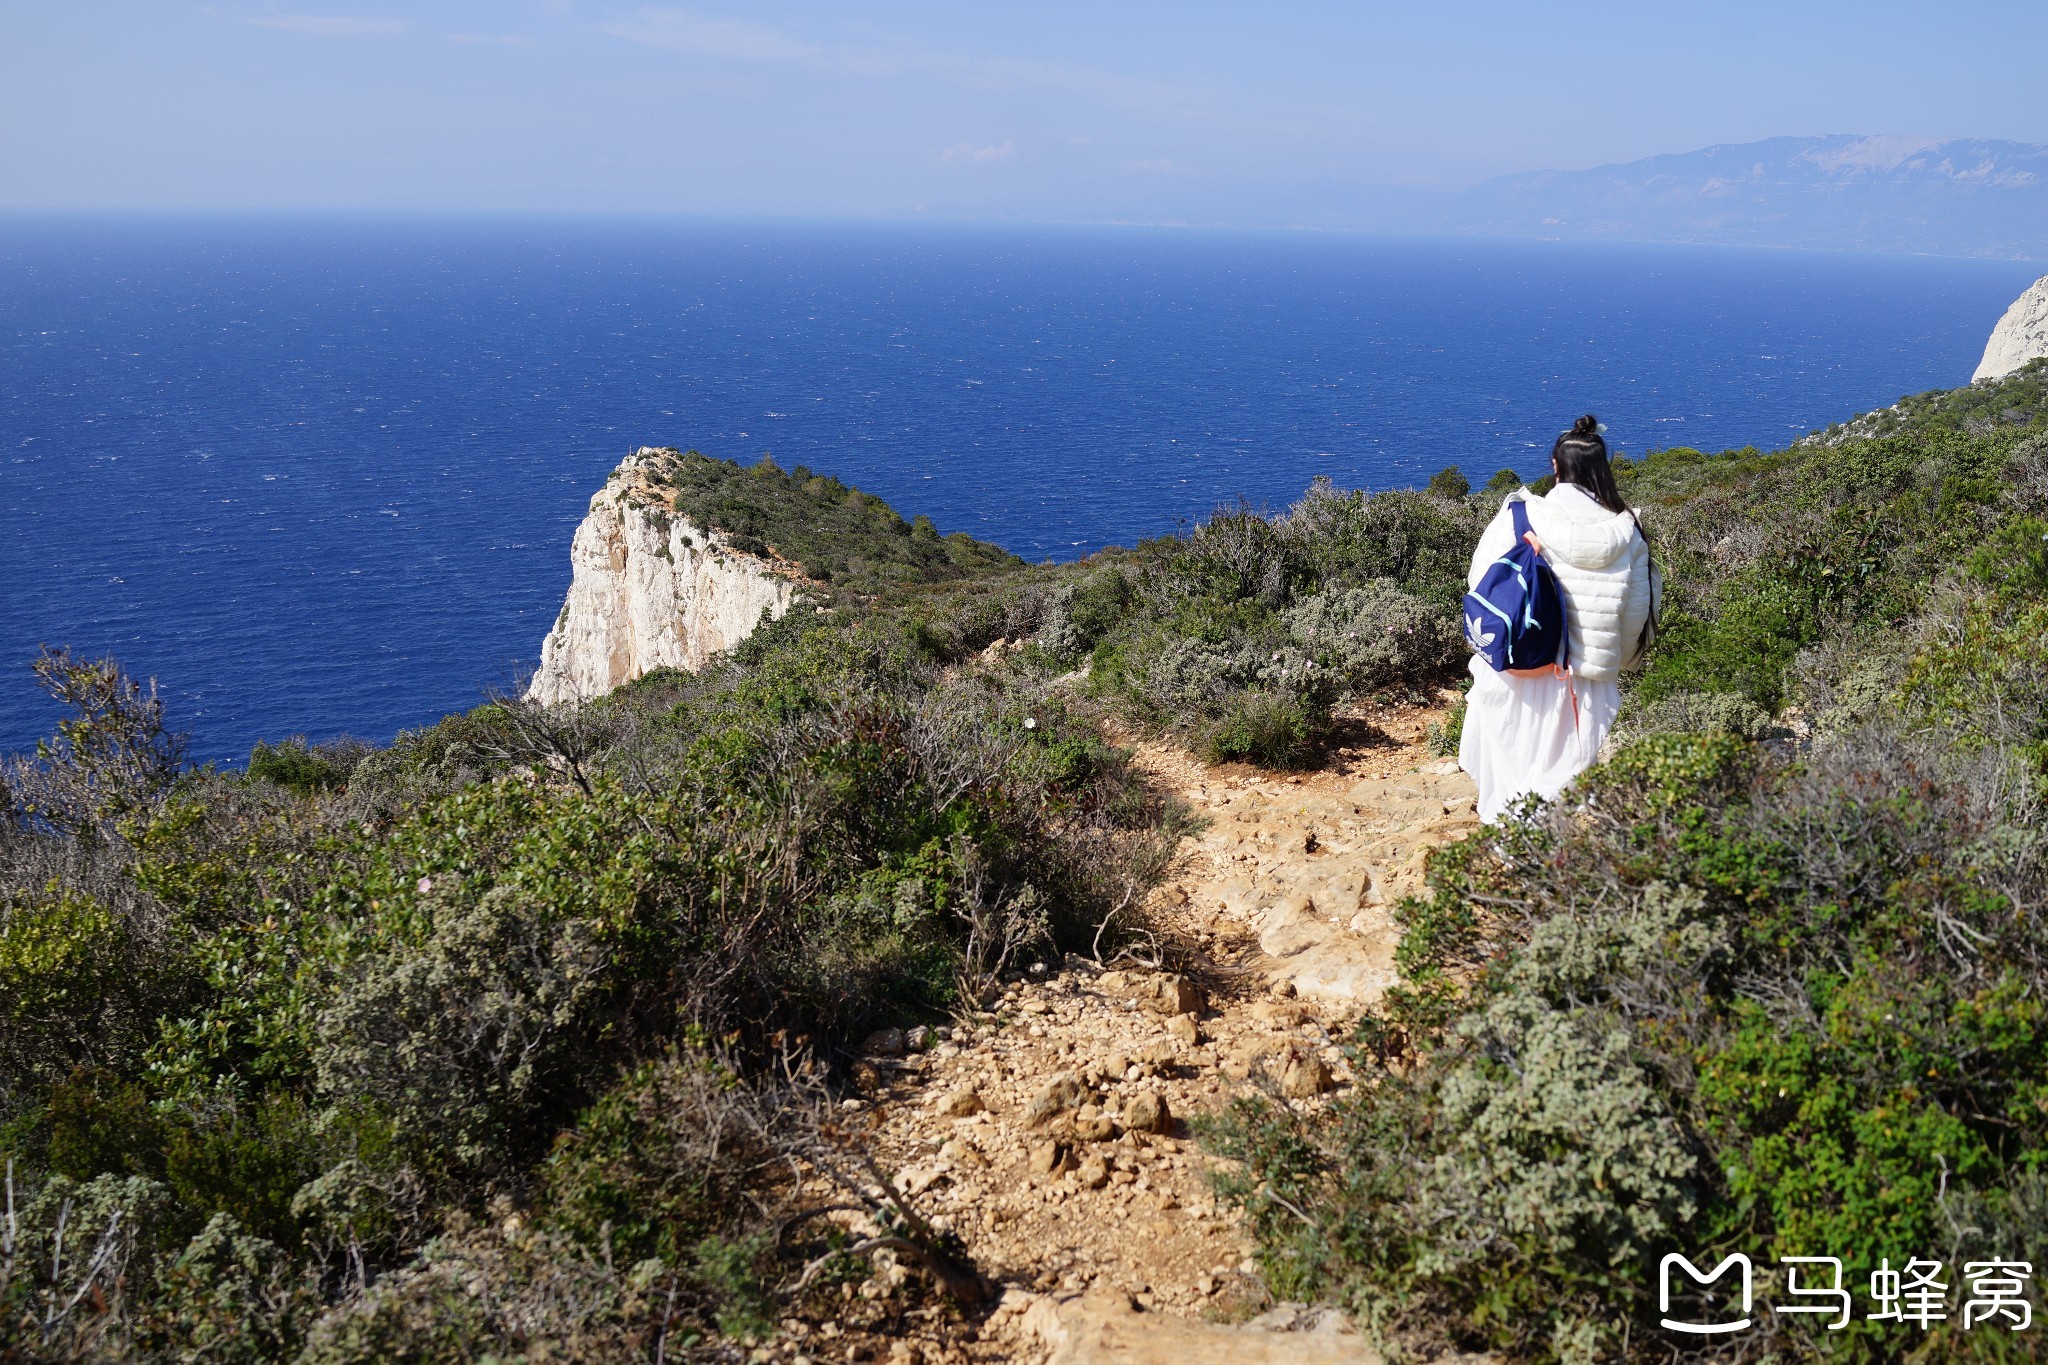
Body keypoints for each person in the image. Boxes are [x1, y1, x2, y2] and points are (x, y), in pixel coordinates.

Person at [1459, 414, 1658, 822]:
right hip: (1585, 676)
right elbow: (1637, 611)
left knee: (1515, 755)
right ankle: (1557, 852)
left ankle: (1508, 836)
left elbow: (1482, 580)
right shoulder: (1627, 530)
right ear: (1602, 468)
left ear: (1555, 467)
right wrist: (1613, 661)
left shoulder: (1520, 515)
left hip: (1523, 663)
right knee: (1568, 767)